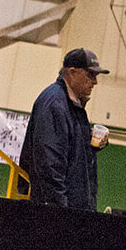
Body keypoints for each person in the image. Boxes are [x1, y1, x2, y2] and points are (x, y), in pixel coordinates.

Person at [21, 48, 109, 212]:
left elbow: (69, 153)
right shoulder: (55, 103)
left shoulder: (72, 104)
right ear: (73, 72)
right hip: (59, 212)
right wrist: (61, 211)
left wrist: (92, 146)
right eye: (91, 75)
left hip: (73, 208)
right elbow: (49, 164)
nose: (95, 82)